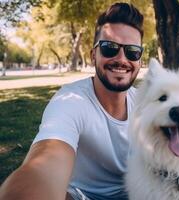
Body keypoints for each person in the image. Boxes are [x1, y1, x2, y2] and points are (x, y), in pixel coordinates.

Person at [0, 3, 144, 200]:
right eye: (109, 48)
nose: (121, 59)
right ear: (94, 55)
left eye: (133, 51)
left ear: (140, 60)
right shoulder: (70, 101)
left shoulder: (146, 104)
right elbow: (44, 166)